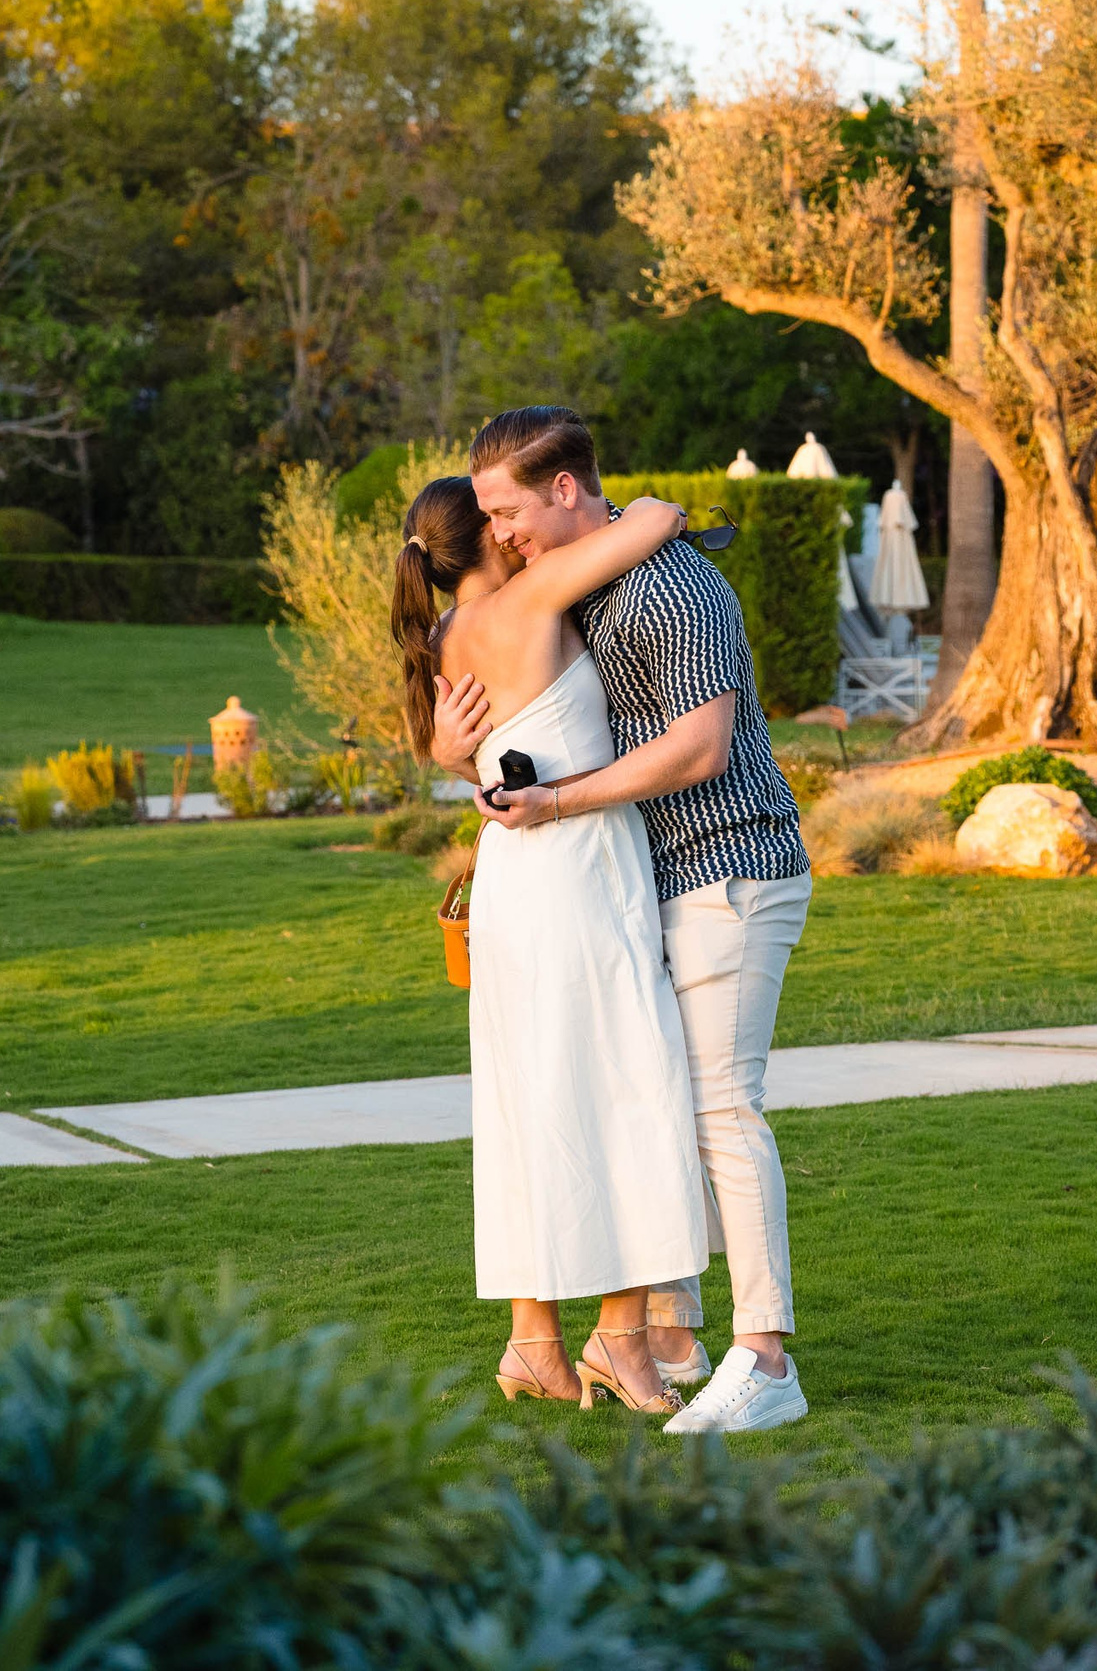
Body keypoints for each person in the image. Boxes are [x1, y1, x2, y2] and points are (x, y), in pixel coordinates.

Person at [434, 406, 815, 1436]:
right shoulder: (586, 585)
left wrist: (557, 801)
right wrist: (462, 755)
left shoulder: (670, 585)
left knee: (722, 1112)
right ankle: (669, 1337)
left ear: (563, 489)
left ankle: (765, 1360)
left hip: (728, 867)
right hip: (653, 881)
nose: (497, 534)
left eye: (508, 513)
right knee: (659, 1102)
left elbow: (699, 748)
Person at [393, 473, 709, 1416]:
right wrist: (636, 505)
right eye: (499, 514)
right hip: (578, 869)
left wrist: (449, 757)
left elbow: (468, 752)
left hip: (513, 883)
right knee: (628, 1087)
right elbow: (657, 521)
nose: (514, 524)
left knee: (531, 1105)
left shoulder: (444, 636)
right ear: (490, 537)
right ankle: (620, 1336)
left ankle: (534, 1341)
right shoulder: (533, 595)